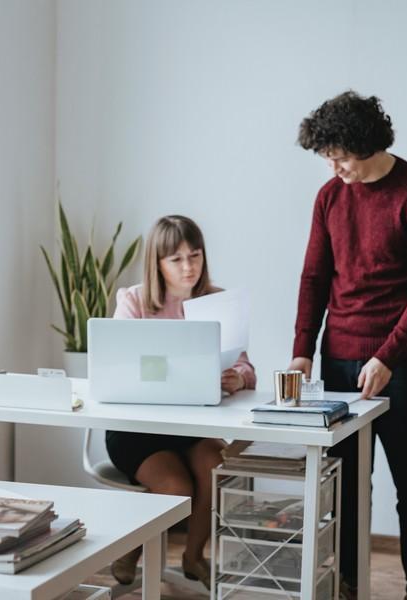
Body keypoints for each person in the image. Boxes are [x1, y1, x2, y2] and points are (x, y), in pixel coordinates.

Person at [289, 91, 407, 600]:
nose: (335, 168)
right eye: (328, 159)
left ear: (366, 144)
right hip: (339, 359)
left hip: (406, 365)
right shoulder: (329, 198)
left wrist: (388, 355)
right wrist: (302, 350)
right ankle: (350, 581)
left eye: (340, 157)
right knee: (350, 485)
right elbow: (314, 278)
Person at [105, 215, 257, 589]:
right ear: (157, 262)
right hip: (137, 432)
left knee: (214, 467)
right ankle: (131, 551)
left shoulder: (217, 301)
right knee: (176, 488)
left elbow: (246, 365)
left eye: (195, 255)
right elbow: (116, 365)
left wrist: (238, 377)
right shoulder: (135, 300)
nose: (188, 267)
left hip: (192, 428)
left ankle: (193, 555)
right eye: (176, 259)